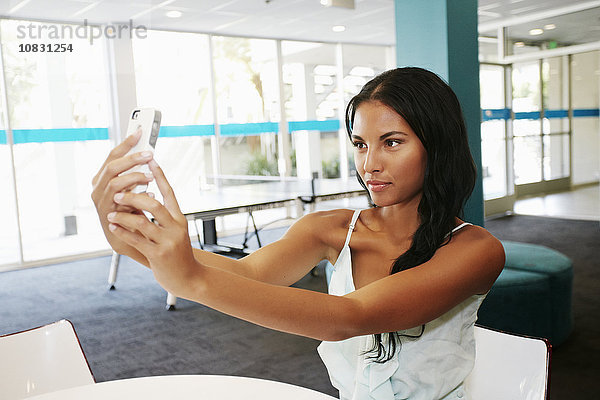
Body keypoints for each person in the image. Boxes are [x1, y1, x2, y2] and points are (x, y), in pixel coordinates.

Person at [91, 67, 505, 400]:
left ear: (438, 145)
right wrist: (132, 242)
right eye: (360, 144)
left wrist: (191, 280)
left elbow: (350, 318)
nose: (370, 164)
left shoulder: (475, 250)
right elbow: (249, 275)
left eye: (391, 143)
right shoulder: (330, 230)